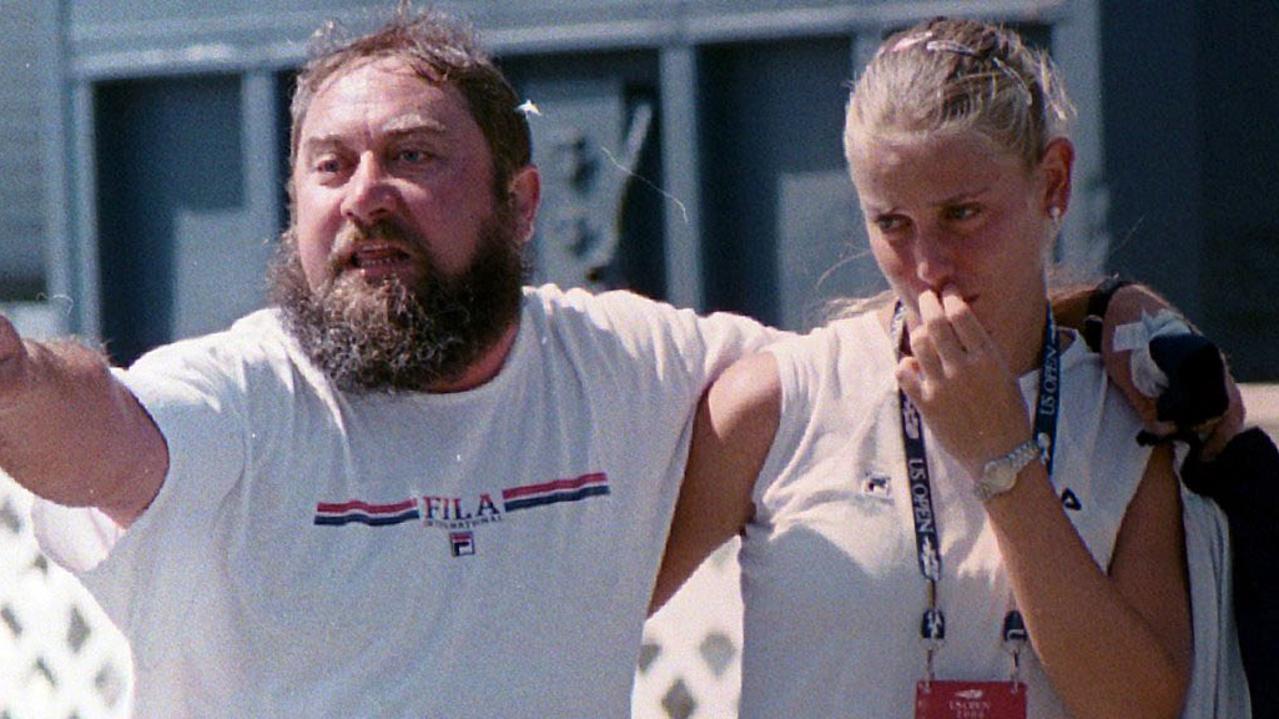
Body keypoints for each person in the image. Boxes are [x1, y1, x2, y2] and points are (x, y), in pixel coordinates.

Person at [0, 5, 1240, 717]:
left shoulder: (633, 365)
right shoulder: (246, 389)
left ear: (520, 201)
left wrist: (1077, 345)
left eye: (415, 158)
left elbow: (1140, 695)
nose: (365, 195)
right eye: (331, 164)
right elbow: (94, 423)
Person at [653, 17, 1249, 718]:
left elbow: (1136, 705)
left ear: (1052, 183)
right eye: (892, 224)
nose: (928, 267)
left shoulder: (1128, 412)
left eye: (962, 213)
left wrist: (1003, 460)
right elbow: (580, 616)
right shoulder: (779, 403)